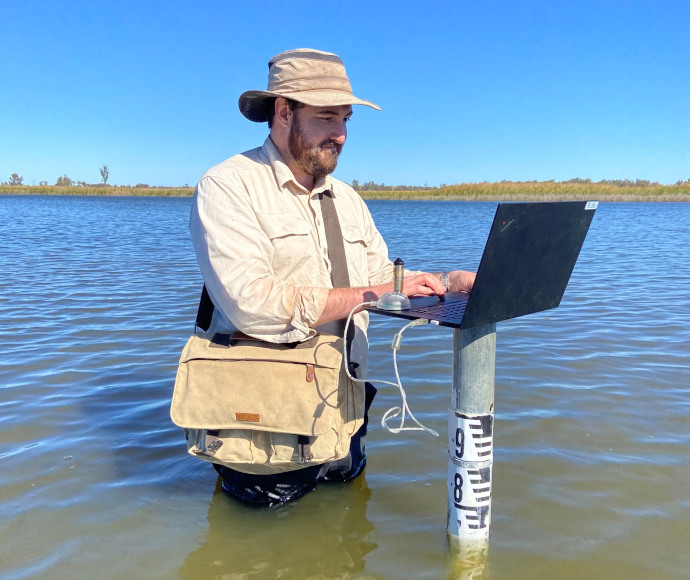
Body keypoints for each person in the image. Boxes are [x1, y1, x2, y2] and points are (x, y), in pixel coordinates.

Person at [189, 48, 475, 505]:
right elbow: (252, 304)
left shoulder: (347, 198)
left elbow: (382, 275)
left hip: (345, 413)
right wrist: (373, 293)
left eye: (345, 120)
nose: (340, 134)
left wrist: (448, 280)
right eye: (326, 118)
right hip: (266, 429)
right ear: (283, 112)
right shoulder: (227, 186)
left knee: (348, 545)